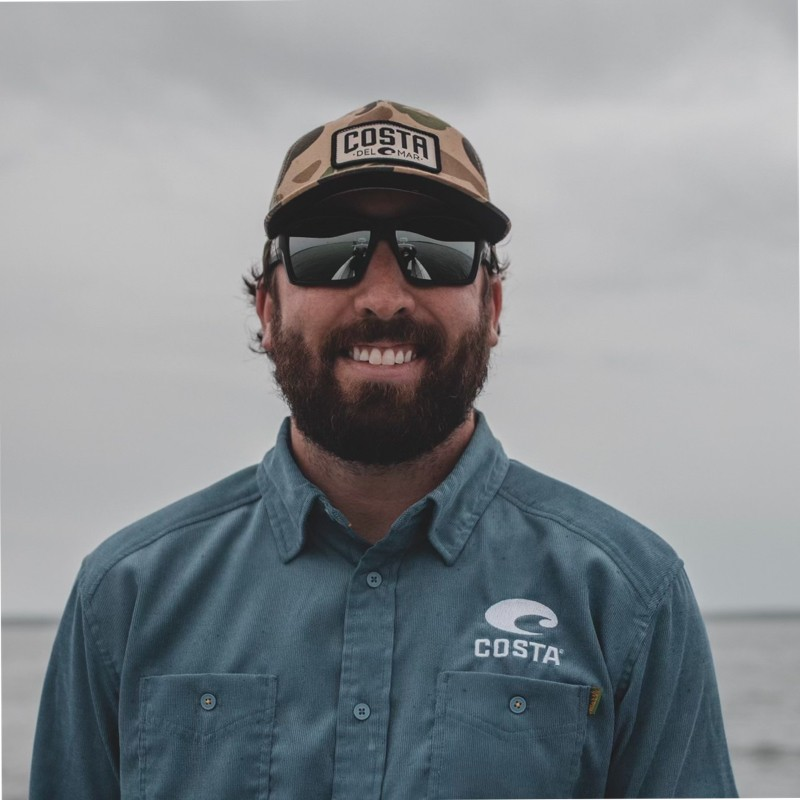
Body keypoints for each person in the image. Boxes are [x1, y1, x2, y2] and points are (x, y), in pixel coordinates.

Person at [30, 100, 737, 799]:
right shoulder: (127, 595)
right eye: (327, 249)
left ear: (491, 307)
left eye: (437, 249)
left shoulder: (627, 594)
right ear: (268, 310)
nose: (383, 297)